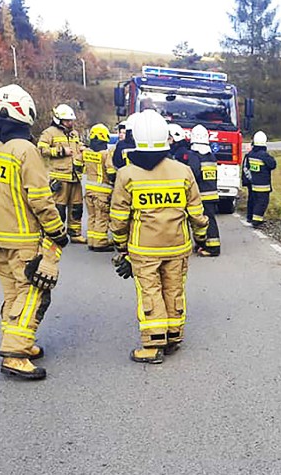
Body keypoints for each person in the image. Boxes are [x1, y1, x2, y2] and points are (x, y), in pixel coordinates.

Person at [0, 84, 68, 380]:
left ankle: (16, 339)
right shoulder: (25, 150)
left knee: (12, 292)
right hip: (25, 238)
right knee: (34, 292)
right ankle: (15, 352)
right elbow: (40, 199)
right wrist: (56, 232)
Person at [109, 110, 209, 364]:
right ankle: (174, 336)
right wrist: (202, 237)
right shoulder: (183, 171)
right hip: (178, 245)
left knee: (150, 292)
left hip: (144, 249)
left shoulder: (127, 175)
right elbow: (197, 212)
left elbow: (119, 218)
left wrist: (121, 246)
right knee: (174, 289)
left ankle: (154, 344)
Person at [38, 104, 86, 243]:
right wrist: (60, 151)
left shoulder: (74, 134)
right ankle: (55, 234)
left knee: (76, 208)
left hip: (75, 177)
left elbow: (76, 149)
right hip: (59, 178)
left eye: (71, 121)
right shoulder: (49, 133)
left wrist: (81, 149)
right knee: (58, 208)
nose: (70, 123)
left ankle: (75, 233)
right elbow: (41, 149)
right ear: (59, 120)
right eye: (67, 121)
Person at [175, 125, 221, 257]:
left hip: (200, 194)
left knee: (202, 221)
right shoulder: (211, 156)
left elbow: (192, 174)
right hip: (211, 193)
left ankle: (213, 248)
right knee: (207, 220)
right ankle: (202, 244)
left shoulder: (194, 156)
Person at [82, 123, 116, 252]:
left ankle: (91, 241)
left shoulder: (86, 152)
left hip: (89, 190)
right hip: (102, 191)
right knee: (102, 217)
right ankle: (100, 243)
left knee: (92, 216)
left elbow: (77, 163)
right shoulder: (106, 154)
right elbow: (111, 171)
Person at [244, 131, 277, 228]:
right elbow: (272, 164)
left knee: (255, 201)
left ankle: (253, 218)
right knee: (262, 203)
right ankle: (256, 221)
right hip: (263, 185)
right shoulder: (264, 155)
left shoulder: (250, 154)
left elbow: (247, 167)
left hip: (254, 184)